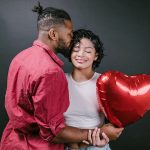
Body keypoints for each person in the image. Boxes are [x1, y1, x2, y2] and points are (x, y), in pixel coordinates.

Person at [0, 3, 110, 150]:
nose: (72, 40)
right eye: (70, 34)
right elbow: (54, 132)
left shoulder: (20, 57)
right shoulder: (52, 72)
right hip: (37, 146)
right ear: (53, 34)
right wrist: (100, 133)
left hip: (13, 142)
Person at [64, 29, 124, 150]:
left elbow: (117, 124)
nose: (80, 54)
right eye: (76, 49)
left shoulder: (104, 83)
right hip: (64, 146)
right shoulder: (59, 80)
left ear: (95, 56)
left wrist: (103, 136)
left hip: (96, 146)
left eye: (87, 51)